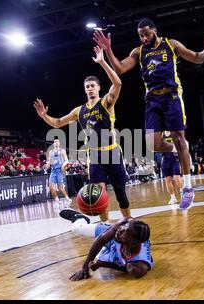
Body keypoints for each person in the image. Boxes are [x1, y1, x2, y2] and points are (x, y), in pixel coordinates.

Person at [93, 18, 204, 210]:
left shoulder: (172, 44)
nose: (143, 38)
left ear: (154, 30)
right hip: (152, 100)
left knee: (178, 137)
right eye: (140, 35)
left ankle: (187, 188)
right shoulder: (138, 52)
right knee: (153, 143)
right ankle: (180, 149)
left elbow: (198, 58)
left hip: (171, 97)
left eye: (146, 34)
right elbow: (119, 68)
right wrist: (108, 49)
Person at [33, 46, 131, 223]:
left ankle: (130, 223)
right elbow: (57, 123)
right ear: (85, 89)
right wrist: (43, 116)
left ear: (99, 87)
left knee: (121, 194)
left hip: (113, 152)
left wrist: (102, 62)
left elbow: (118, 84)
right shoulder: (79, 111)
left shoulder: (107, 102)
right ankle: (105, 227)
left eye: (93, 85)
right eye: (87, 86)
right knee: (99, 194)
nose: (90, 88)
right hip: (94, 156)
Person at [60, 209, 152, 281]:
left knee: (99, 257)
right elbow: (100, 240)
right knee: (77, 228)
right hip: (116, 242)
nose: (120, 229)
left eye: (125, 231)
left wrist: (102, 264)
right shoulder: (124, 224)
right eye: (124, 227)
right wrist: (84, 268)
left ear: (133, 243)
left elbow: (125, 269)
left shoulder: (139, 267)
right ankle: (80, 218)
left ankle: (105, 256)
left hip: (118, 251)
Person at [46, 138, 72, 209]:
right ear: (53, 144)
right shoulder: (51, 152)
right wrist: (48, 163)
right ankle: (57, 201)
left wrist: (63, 165)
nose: (56, 143)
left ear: (59, 143)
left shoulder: (62, 151)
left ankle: (68, 199)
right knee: (51, 187)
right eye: (55, 142)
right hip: (53, 171)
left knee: (59, 187)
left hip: (60, 171)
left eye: (57, 142)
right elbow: (50, 161)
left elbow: (67, 160)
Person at [160, 131, 182, 204]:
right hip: (165, 158)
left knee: (177, 178)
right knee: (167, 179)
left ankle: (183, 194)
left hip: (175, 158)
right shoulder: (161, 134)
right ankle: (173, 198)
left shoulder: (174, 132)